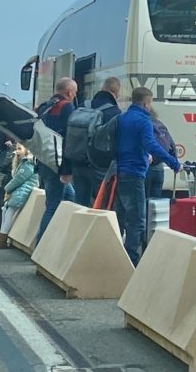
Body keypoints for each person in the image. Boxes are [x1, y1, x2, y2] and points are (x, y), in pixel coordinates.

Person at [115, 87, 180, 266]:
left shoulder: (122, 118)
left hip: (120, 173)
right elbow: (151, 144)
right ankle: (132, 263)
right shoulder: (144, 120)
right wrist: (172, 162)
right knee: (137, 222)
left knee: (120, 217)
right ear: (146, 103)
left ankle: (117, 257)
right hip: (135, 173)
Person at [34, 77, 77, 243]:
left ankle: (61, 239)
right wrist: (66, 169)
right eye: (74, 92)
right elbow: (68, 139)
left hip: (44, 161)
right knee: (53, 206)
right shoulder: (66, 107)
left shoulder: (44, 107)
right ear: (69, 92)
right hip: (58, 164)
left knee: (69, 198)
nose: (75, 95)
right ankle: (42, 245)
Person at [72, 77, 122, 207]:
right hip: (100, 166)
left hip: (78, 162)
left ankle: (78, 227)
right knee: (103, 204)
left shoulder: (82, 106)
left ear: (102, 88)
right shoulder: (115, 113)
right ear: (116, 93)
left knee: (79, 205)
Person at [0, 143, 38, 249]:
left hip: (22, 192)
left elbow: (18, 179)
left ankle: (2, 238)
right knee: (5, 209)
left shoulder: (28, 164)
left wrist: (7, 189)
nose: (16, 151)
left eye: (19, 149)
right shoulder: (24, 163)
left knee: (9, 211)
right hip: (19, 191)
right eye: (16, 149)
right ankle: (1, 235)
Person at [146, 108, 177, 198]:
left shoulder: (142, 124)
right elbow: (172, 146)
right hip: (159, 168)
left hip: (146, 167)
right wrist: (175, 163)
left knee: (143, 200)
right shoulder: (160, 124)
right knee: (156, 200)